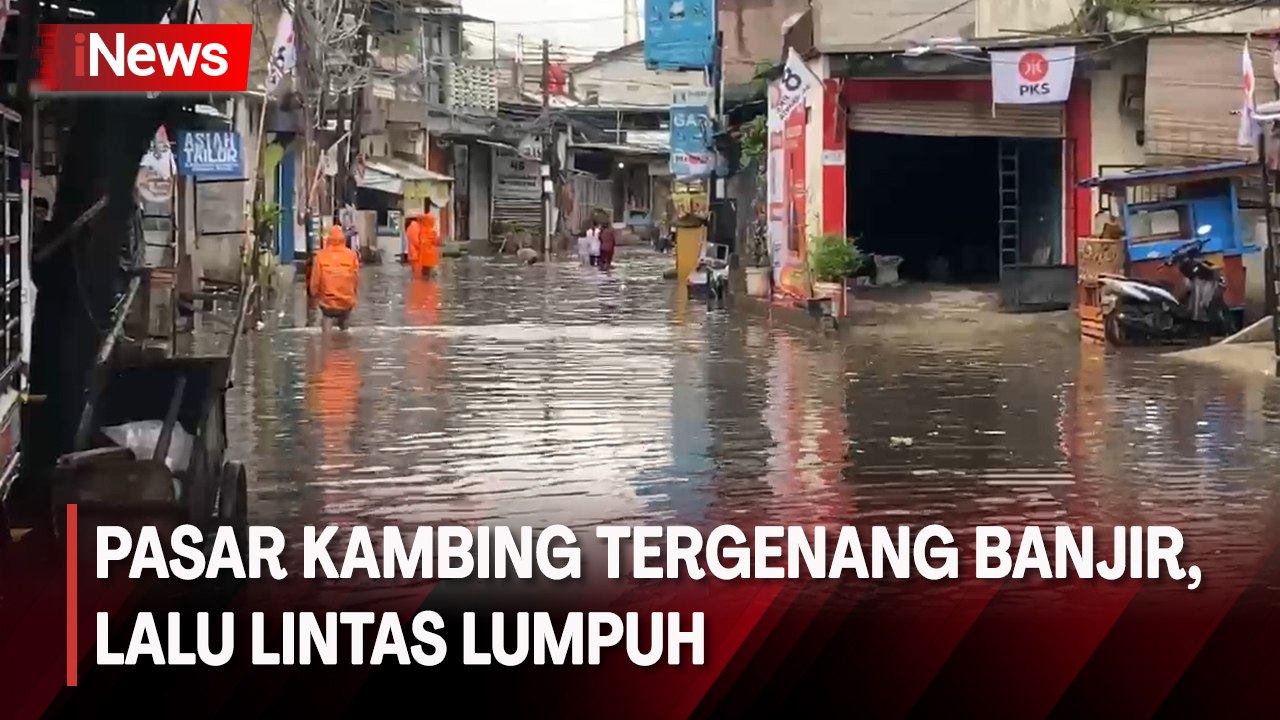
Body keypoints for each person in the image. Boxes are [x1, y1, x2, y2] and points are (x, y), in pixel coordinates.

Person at [309, 224, 360, 330]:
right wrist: (352, 296)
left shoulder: (320, 256)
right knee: (345, 322)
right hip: (347, 301)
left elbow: (314, 283)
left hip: (328, 303)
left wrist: (314, 296)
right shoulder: (352, 256)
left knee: (327, 317)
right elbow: (356, 280)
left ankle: (326, 339)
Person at [413, 212, 440, 278]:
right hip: (430, 254)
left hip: (423, 254)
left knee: (424, 270)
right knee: (432, 274)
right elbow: (436, 241)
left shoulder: (421, 229)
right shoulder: (432, 231)